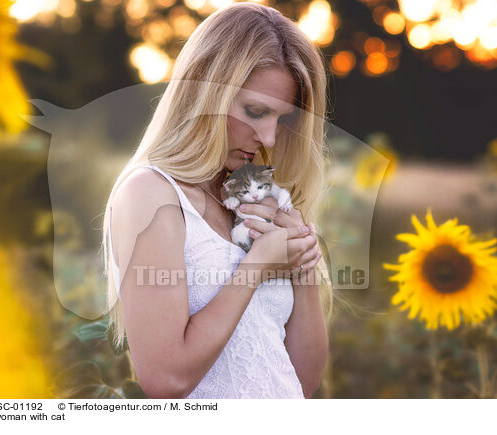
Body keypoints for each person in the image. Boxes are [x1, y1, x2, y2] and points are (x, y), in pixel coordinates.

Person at [102, 2, 332, 399]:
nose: (270, 139)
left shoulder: (258, 198)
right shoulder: (151, 194)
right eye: (256, 111)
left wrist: (302, 266)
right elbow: (166, 381)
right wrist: (258, 265)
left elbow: (301, 384)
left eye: (283, 119)